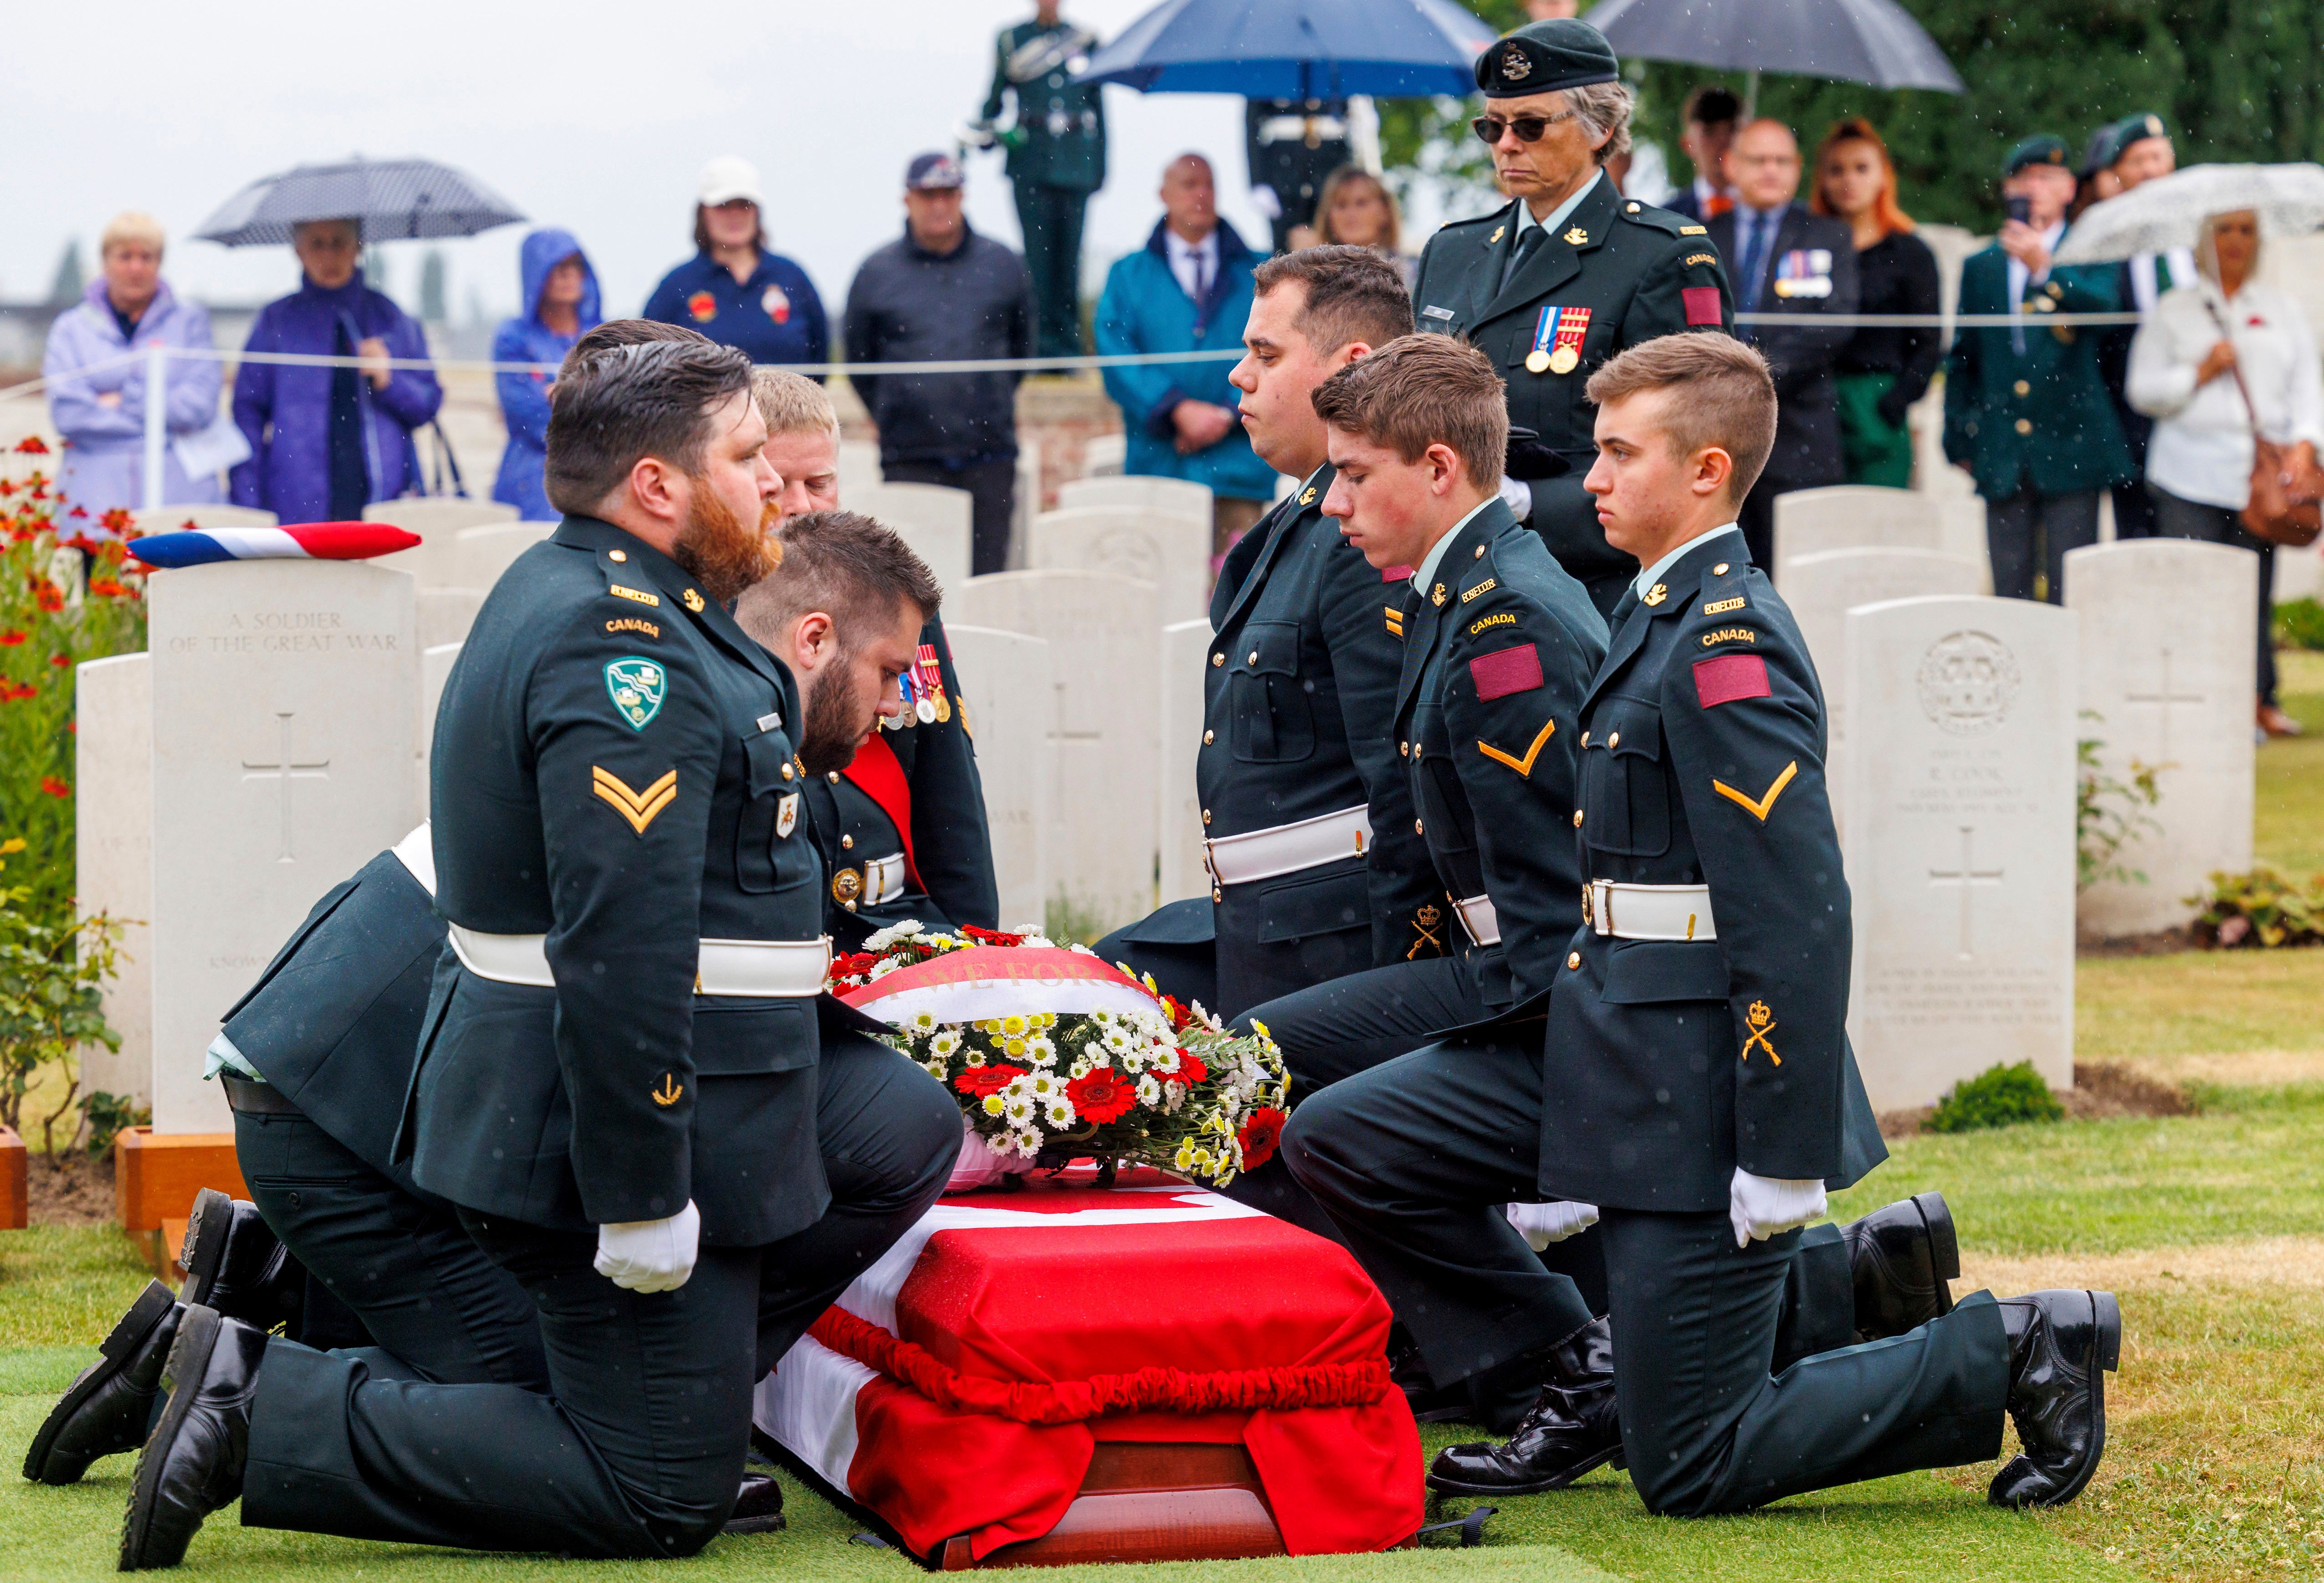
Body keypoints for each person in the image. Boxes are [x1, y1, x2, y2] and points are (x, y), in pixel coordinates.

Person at [118, 332, 962, 1568]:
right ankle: (256, 1403)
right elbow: (622, 942)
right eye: (745, 459)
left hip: (689, 1089)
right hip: (594, 1118)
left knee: (655, 1396)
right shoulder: (623, 646)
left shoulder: (635, 604)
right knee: (654, 1488)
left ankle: (623, 1393)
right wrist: (640, 1191)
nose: (772, 488)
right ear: (658, 485)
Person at [1289, 330, 2120, 1516]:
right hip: (1632, 1051)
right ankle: (1854, 1279)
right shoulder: (1657, 612)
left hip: (1701, 1086)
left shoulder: (1727, 640)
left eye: (1621, 453)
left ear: (1705, 470)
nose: (1590, 478)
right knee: (1648, 1382)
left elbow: (1793, 909)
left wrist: (1779, 1147)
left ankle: (2019, 1346)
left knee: (1688, 1460)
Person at [1095, 246, 1433, 1019]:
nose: (1238, 376)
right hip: (1269, 937)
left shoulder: (1363, 540)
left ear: (1352, 367)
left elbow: (1403, 796)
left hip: (1332, 956)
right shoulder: (1306, 517)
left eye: (1265, 354)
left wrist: (1388, 1004)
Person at [1411, 19, 1733, 619]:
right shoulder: (1452, 251)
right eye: (1492, 127)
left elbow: (1686, 449)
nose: (1506, 144)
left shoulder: (1661, 256)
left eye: (1530, 126)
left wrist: (1528, 501)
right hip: (1455, 586)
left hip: (1587, 596)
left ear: (1600, 128)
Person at [739, 368, 1001, 946]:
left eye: (819, 483)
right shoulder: (710, 610)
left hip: (899, 922)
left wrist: (977, 954)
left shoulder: (893, 602)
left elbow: (948, 797)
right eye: (775, 485)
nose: (798, 506)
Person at [2129, 208, 2324, 739]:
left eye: (2245, 231)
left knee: (2251, 590)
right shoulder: (2173, 310)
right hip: (2187, 473)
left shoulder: (2279, 309)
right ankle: (2195, 699)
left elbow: (2306, 384)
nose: (2234, 241)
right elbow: (2141, 390)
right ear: (2202, 240)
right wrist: (2199, 371)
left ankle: (2256, 699)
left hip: (2258, 476)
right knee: (2192, 590)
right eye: (2224, 230)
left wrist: (2303, 445)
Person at [1943, 136, 2132, 603]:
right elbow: (1965, 355)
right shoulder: (1982, 265)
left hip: (2073, 444)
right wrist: (1959, 435)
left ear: (2069, 189)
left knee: (2073, 588)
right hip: (2003, 447)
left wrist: (2045, 270)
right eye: (2022, 179)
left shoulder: (2091, 251)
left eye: (2046, 178)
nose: (2034, 188)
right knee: (2010, 589)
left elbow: (2105, 312)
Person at [843, 152, 1038, 576]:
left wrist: (987, 401)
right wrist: (897, 410)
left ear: (962, 196)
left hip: (988, 455)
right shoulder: (876, 272)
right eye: (927, 195)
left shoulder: (1003, 264)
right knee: (912, 585)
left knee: (987, 580)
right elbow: (860, 360)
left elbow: (1022, 348)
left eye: (948, 194)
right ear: (908, 200)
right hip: (910, 455)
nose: (938, 205)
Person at [1096, 153, 1276, 558]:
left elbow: (1277, 350)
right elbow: (1115, 357)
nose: (1201, 194)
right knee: (1160, 580)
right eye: (1189, 184)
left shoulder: (1260, 273)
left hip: (1237, 468)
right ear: (1164, 194)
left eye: (1209, 185)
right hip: (1159, 464)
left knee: (1236, 583)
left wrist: (1227, 413)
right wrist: (1175, 409)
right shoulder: (1128, 275)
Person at [1709, 117, 1859, 570]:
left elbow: (1833, 324)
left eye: (1781, 161)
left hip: (1799, 431)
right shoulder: (1700, 233)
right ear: (1731, 166)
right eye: (1758, 160)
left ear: (1797, 168)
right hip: (1712, 428)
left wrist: (1753, 378)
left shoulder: (1827, 235)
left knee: (1799, 577)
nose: (1770, 170)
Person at [230, 218, 442, 523]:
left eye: (339, 242)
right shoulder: (276, 322)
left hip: (382, 501)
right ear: (298, 251)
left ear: (358, 247)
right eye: (317, 244)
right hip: (297, 502)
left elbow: (427, 405)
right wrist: (247, 505)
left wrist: (390, 380)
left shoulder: (392, 319)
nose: (328, 255)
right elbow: (246, 415)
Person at [41, 211, 224, 520]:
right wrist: (161, 424)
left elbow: (200, 407)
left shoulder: (191, 322)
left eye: (147, 257)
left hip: (179, 498)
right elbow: (69, 414)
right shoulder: (70, 329)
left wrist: (124, 400)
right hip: (94, 504)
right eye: (125, 256)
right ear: (105, 261)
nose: (136, 268)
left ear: (160, 262)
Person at [1812, 118, 1941, 490]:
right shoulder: (1807, 247)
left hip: (1878, 401)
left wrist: (1896, 402)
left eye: (1861, 168)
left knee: (1879, 515)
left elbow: (1929, 341)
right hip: (1814, 402)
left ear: (1884, 176)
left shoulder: (1910, 252)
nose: (1849, 180)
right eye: (1837, 170)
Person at [975, 0, 1106, 363]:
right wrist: (984, 130)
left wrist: (1099, 168)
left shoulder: (1085, 40)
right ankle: (1040, 349)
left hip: (1076, 163)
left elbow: (1098, 109)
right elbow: (996, 97)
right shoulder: (1012, 40)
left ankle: (1068, 351)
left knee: (1070, 262)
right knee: (1037, 263)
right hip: (1030, 164)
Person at [2088, 112, 2187, 543]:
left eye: (2157, 158)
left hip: (2196, 407)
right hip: (2131, 415)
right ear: (2117, 174)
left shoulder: (2199, 233)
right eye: (2137, 161)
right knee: (2138, 534)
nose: (2149, 170)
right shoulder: (2104, 240)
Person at [642, 157, 829, 371]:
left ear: (757, 211)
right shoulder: (676, 287)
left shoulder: (792, 278)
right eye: (723, 205)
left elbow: (820, 362)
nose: (734, 214)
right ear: (703, 213)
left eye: (744, 205)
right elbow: (645, 365)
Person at [492, 229, 603, 521]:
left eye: (576, 265)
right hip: (533, 476)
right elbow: (526, 414)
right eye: (557, 266)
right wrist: (592, 399)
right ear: (536, 273)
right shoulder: (513, 338)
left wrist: (563, 395)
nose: (569, 275)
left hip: (598, 474)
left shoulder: (604, 335)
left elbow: (625, 407)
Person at [1246, 98, 1352, 254]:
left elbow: (1355, 120)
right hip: (1283, 176)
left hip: (1330, 170)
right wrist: (1258, 181)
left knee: (1335, 249)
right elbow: (1253, 123)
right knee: (1285, 253)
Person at [1309, 165, 1419, 291]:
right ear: (1329, 217)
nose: (1351, 214)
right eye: (1342, 205)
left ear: (1385, 212)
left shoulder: (1416, 274)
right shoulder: (1313, 279)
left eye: (1361, 203)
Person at [1664, 86, 1740, 223]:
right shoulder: (1668, 219)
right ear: (1687, 144)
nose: (1723, 141)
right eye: (1709, 131)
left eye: (1732, 130)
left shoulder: (1771, 213)